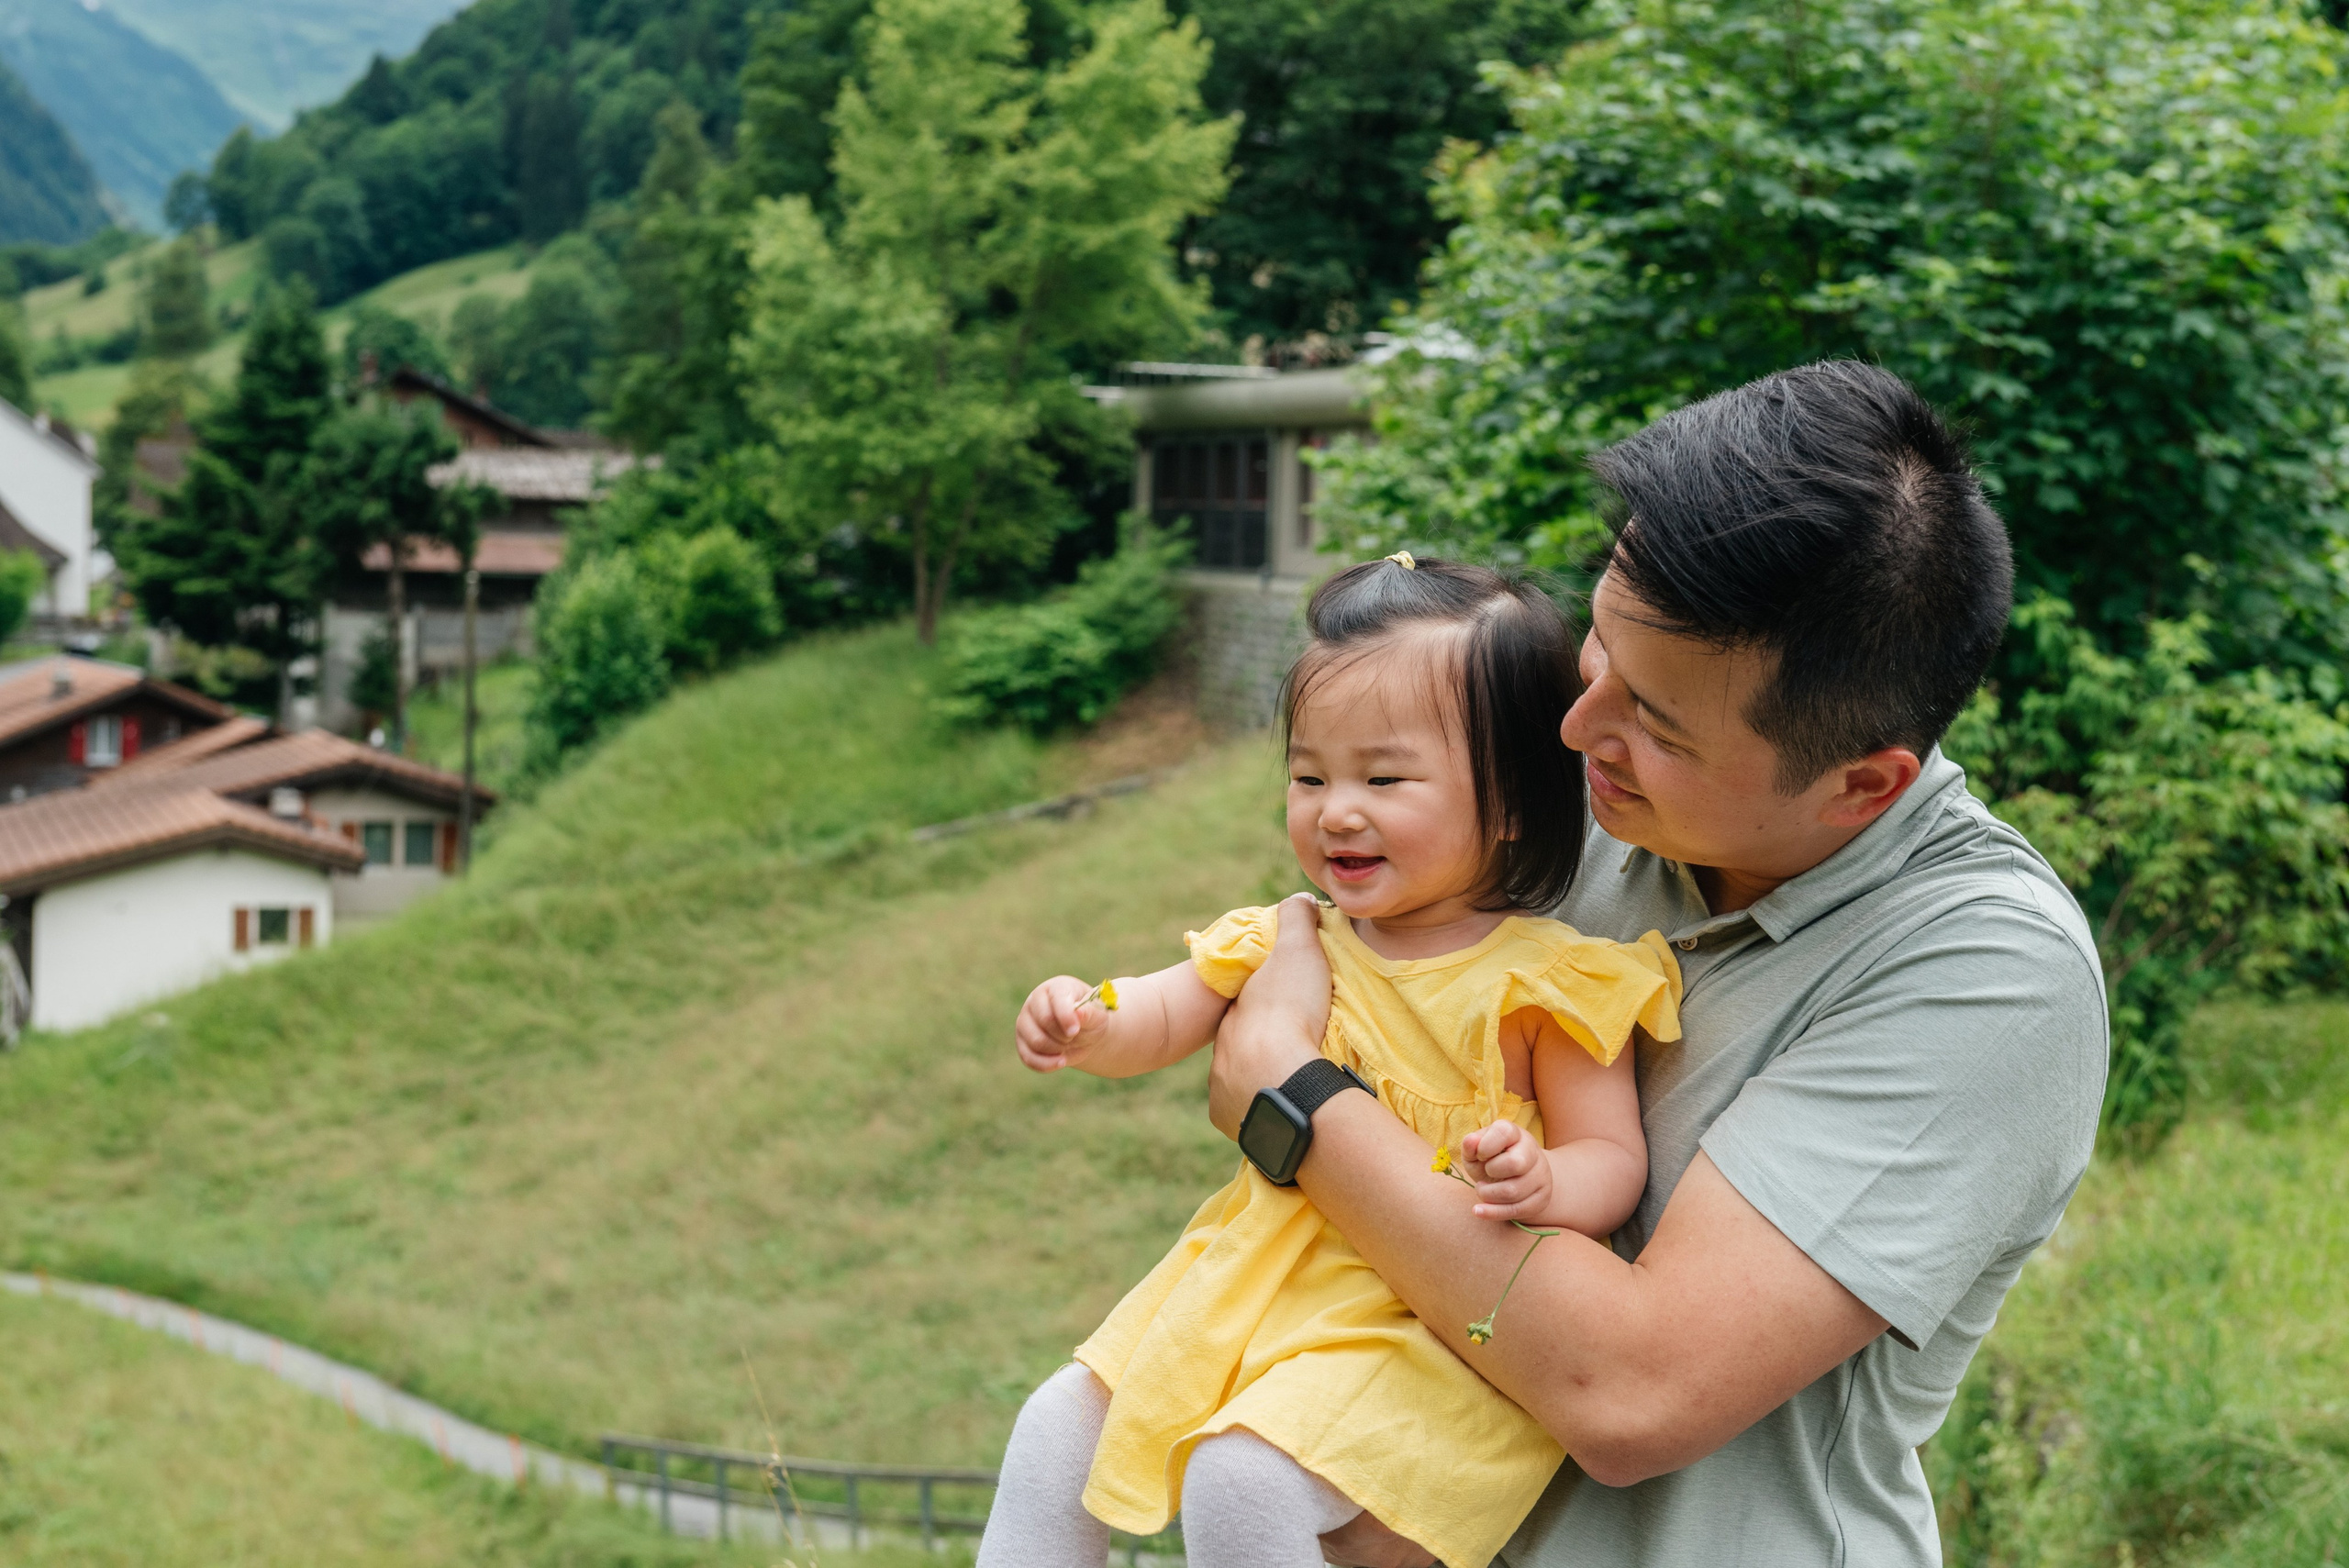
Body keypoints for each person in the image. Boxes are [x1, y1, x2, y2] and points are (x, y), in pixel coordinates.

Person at [1209, 361, 2110, 1568]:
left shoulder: (1987, 973)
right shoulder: (1586, 818)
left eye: (1657, 725)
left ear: (1862, 784)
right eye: (1600, 651)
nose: (1578, 730)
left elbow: (1630, 1390)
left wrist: (1296, 1105)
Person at [979, 557, 1687, 1568]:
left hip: (1415, 1324)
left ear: (1511, 803)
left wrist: (1543, 1179)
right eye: (1309, 775)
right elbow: (1164, 1011)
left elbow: (1610, 1158)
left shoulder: (1547, 982)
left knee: (1242, 1477)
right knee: (1054, 1427)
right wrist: (1087, 1019)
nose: (1335, 810)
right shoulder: (1291, 933)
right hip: (1247, 1286)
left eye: (1383, 778)